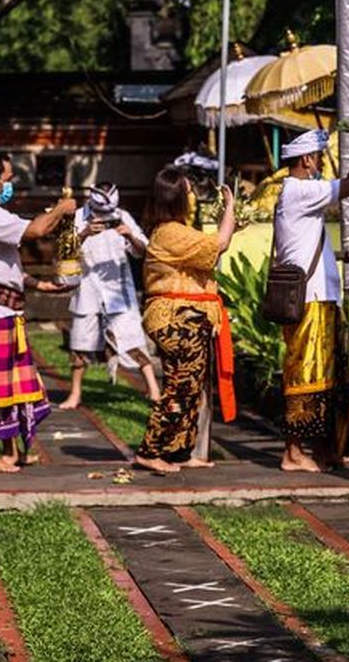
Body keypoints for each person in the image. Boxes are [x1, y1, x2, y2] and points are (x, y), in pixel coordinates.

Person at [0, 151, 75, 473]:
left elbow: (4, 267)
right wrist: (61, 209)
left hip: (7, 308)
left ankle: (9, 450)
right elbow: (36, 231)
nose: (11, 185)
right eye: (8, 179)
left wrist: (40, 285)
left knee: (12, 383)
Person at [274, 124, 349, 472]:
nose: (320, 165)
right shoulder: (300, 190)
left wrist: (345, 255)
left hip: (321, 297)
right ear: (307, 159)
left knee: (332, 375)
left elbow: (301, 246)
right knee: (307, 373)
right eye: (317, 158)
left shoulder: (298, 194)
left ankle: (328, 447)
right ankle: (293, 452)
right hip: (311, 300)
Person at [136, 167, 236, 473]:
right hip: (176, 318)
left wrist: (230, 224)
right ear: (178, 197)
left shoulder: (176, 232)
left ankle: (178, 451)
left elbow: (214, 247)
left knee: (192, 387)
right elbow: (218, 245)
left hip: (185, 318)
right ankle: (150, 450)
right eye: (189, 191)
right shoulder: (171, 232)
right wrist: (230, 208)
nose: (193, 197)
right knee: (182, 386)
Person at [61, 182, 160, 410]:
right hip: (87, 290)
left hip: (119, 292)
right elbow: (64, 257)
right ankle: (75, 393)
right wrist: (84, 233)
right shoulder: (74, 218)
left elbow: (144, 249)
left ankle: (153, 388)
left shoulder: (122, 216)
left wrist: (130, 235)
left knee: (133, 339)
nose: (104, 218)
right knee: (80, 344)